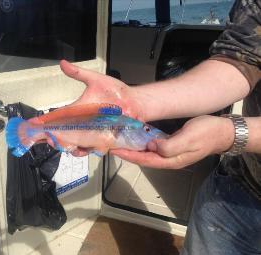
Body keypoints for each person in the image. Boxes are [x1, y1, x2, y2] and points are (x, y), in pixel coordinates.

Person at [59, 0, 261, 254]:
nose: (149, 131)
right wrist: (137, 102)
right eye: (145, 129)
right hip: (237, 189)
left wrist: (229, 134)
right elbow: (239, 59)